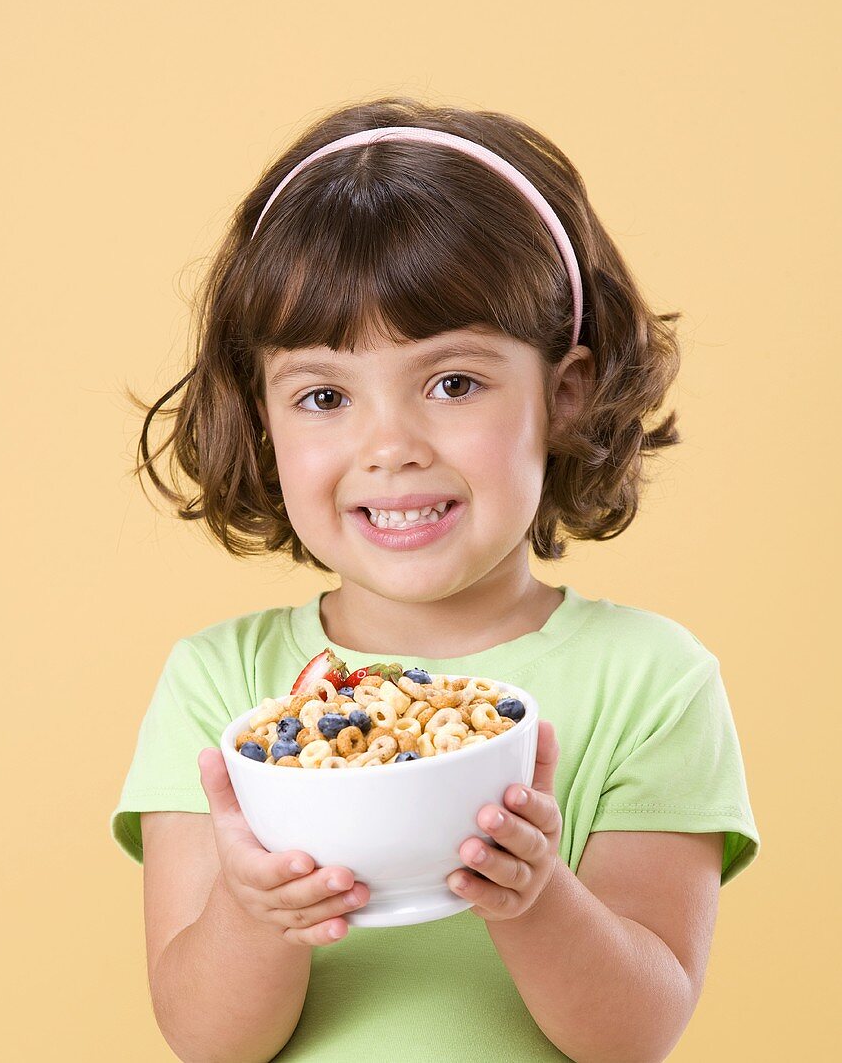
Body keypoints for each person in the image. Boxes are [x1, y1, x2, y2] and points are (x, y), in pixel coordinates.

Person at [110, 96, 760, 1063]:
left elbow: (635, 1035)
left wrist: (537, 898)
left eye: (453, 383)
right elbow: (207, 1040)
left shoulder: (651, 680)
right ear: (261, 418)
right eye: (325, 395)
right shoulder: (218, 687)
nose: (390, 449)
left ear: (564, 393)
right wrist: (256, 913)